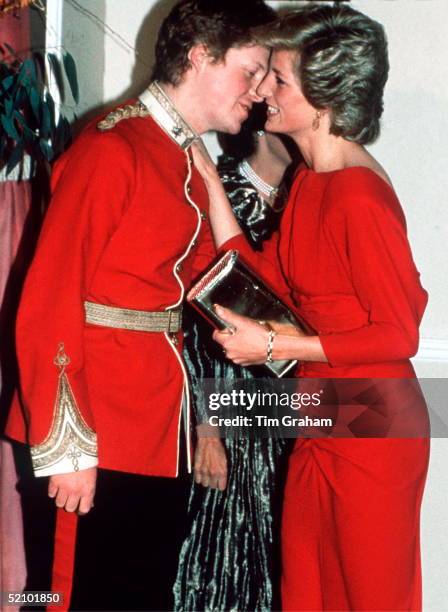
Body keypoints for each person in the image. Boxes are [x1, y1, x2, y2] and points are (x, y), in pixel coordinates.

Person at [4, 1, 275, 609]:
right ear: (201, 56)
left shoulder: (182, 155)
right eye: (250, 70)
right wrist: (66, 447)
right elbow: (47, 302)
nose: (259, 92)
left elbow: (237, 296)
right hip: (94, 436)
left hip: (156, 434)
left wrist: (212, 192)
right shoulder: (112, 148)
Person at [191, 4, 430, 611]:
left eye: (279, 80)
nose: (262, 90)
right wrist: (211, 185)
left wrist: (275, 348)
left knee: (369, 597)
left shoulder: (356, 194)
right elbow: (273, 279)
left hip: (374, 425)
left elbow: (398, 334)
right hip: (322, 411)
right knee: (309, 591)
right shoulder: (310, 181)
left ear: (323, 100)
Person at [175, 106, 298, 611]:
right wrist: (207, 428)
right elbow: (187, 322)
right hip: (223, 414)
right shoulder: (211, 189)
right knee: (219, 567)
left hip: (297, 416)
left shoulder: (313, 196)